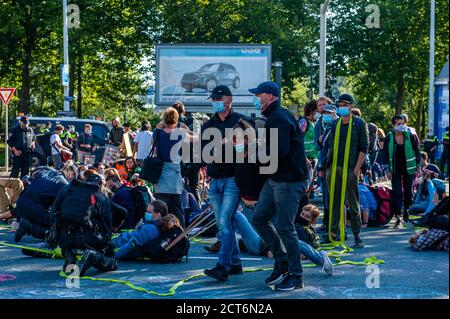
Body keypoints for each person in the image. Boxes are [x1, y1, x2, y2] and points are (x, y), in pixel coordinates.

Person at [249, 81, 309, 291]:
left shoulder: (279, 118)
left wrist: (255, 153)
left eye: (259, 95)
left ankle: (296, 274)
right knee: (258, 217)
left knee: (284, 225)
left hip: (289, 180)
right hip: (276, 178)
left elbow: (278, 151)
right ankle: (282, 260)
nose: (256, 98)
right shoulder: (274, 117)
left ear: (270, 96)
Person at [201, 85, 251, 282]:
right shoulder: (208, 124)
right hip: (215, 179)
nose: (215, 102)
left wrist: (234, 144)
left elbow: (253, 143)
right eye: (213, 100)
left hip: (233, 178)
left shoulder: (240, 121)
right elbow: (204, 150)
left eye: (218, 99)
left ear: (229, 100)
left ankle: (223, 266)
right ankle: (235, 263)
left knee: (224, 223)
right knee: (226, 222)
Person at [317, 93, 368, 248]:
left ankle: (357, 235)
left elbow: (363, 148)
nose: (342, 107)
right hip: (333, 168)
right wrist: (323, 167)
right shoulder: (334, 124)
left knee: (353, 202)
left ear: (351, 106)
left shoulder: (359, 124)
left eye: (345, 104)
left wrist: (356, 169)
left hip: (350, 168)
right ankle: (333, 233)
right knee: (334, 202)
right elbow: (325, 146)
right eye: (340, 105)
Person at [51, 173, 117, 276]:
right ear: (100, 185)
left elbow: (53, 212)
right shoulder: (101, 197)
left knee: (65, 232)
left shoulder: (67, 189)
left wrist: (55, 235)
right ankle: (93, 256)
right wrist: (106, 244)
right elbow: (106, 226)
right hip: (86, 238)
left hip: (63, 236)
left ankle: (69, 255)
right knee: (111, 263)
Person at [153, 107, 197, 228]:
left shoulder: (157, 133)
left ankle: (159, 231)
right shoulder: (180, 134)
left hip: (160, 171)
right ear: (176, 119)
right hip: (174, 171)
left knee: (161, 205)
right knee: (177, 206)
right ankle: (179, 231)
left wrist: (162, 124)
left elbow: (155, 135)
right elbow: (196, 139)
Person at [13, 165, 75, 242]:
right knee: (55, 229)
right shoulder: (64, 184)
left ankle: (21, 222)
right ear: (70, 174)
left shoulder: (44, 172)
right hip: (34, 208)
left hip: (20, 202)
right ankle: (29, 227)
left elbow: (33, 176)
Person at [383, 115, 421, 228]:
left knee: (408, 192)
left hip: (409, 168)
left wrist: (418, 165)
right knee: (397, 192)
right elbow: (384, 154)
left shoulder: (410, 136)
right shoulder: (389, 137)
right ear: (393, 125)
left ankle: (406, 214)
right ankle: (398, 216)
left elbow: (416, 151)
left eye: (403, 123)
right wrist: (387, 169)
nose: (401, 126)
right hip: (395, 169)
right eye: (398, 124)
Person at [298, 100, 319, 180]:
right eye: (317, 110)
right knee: (305, 188)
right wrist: (305, 158)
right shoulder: (303, 122)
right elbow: (297, 141)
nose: (318, 113)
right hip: (306, 161)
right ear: (312, 111)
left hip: (313, 160)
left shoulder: (312, 122)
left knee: (311, 188)